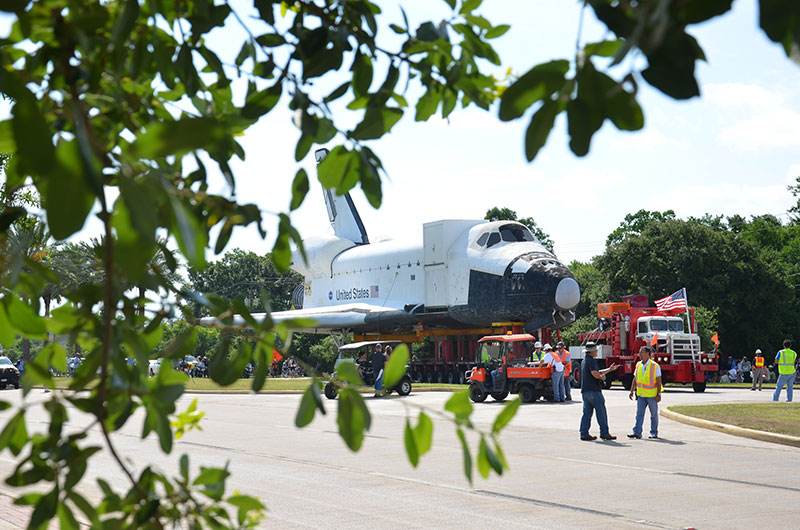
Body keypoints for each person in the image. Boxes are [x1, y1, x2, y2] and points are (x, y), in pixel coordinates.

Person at [579, 342, 620, 441]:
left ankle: (584, 433)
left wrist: (609, 370)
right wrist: (601, 378)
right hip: (594, 391)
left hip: (586, 391)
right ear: (592, 351)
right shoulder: (591, 361)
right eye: (596, 350)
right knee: (601, 412)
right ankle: (604, 433)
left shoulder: (585, 360)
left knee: (587, 413)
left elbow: (597, 371)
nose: (597, 351)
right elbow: (595, 373)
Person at [627, 345, 662, 439]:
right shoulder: (638, 364)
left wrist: (659, 394)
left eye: (641, 352)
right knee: (639, 414)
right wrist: (631, 390)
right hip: (641, 395)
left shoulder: (655, 366)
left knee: (653, 415)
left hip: (652, 395)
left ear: (647, 354)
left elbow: (659, 381)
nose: (639, 354)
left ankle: (653, 432)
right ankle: (637, 432)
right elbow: (635, 378)